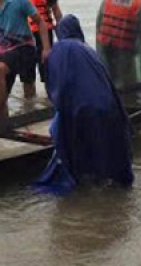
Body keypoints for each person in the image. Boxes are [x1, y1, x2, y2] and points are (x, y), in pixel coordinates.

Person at [32, 15, 134, 195]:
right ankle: (107, 180)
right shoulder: (89, 51)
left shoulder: (58, 50)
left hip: (79, 109)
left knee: (60, 134)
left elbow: (56, 88)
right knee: (104, 144)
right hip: (108, 107)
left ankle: (80, 179)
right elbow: (108, 84)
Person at [11, 0, 64, 99]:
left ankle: (51, 103)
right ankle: (29, 106)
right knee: (26, 77)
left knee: (47, 73)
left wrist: (62, 35)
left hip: (43, 36)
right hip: (23, 38)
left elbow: (56, 10)